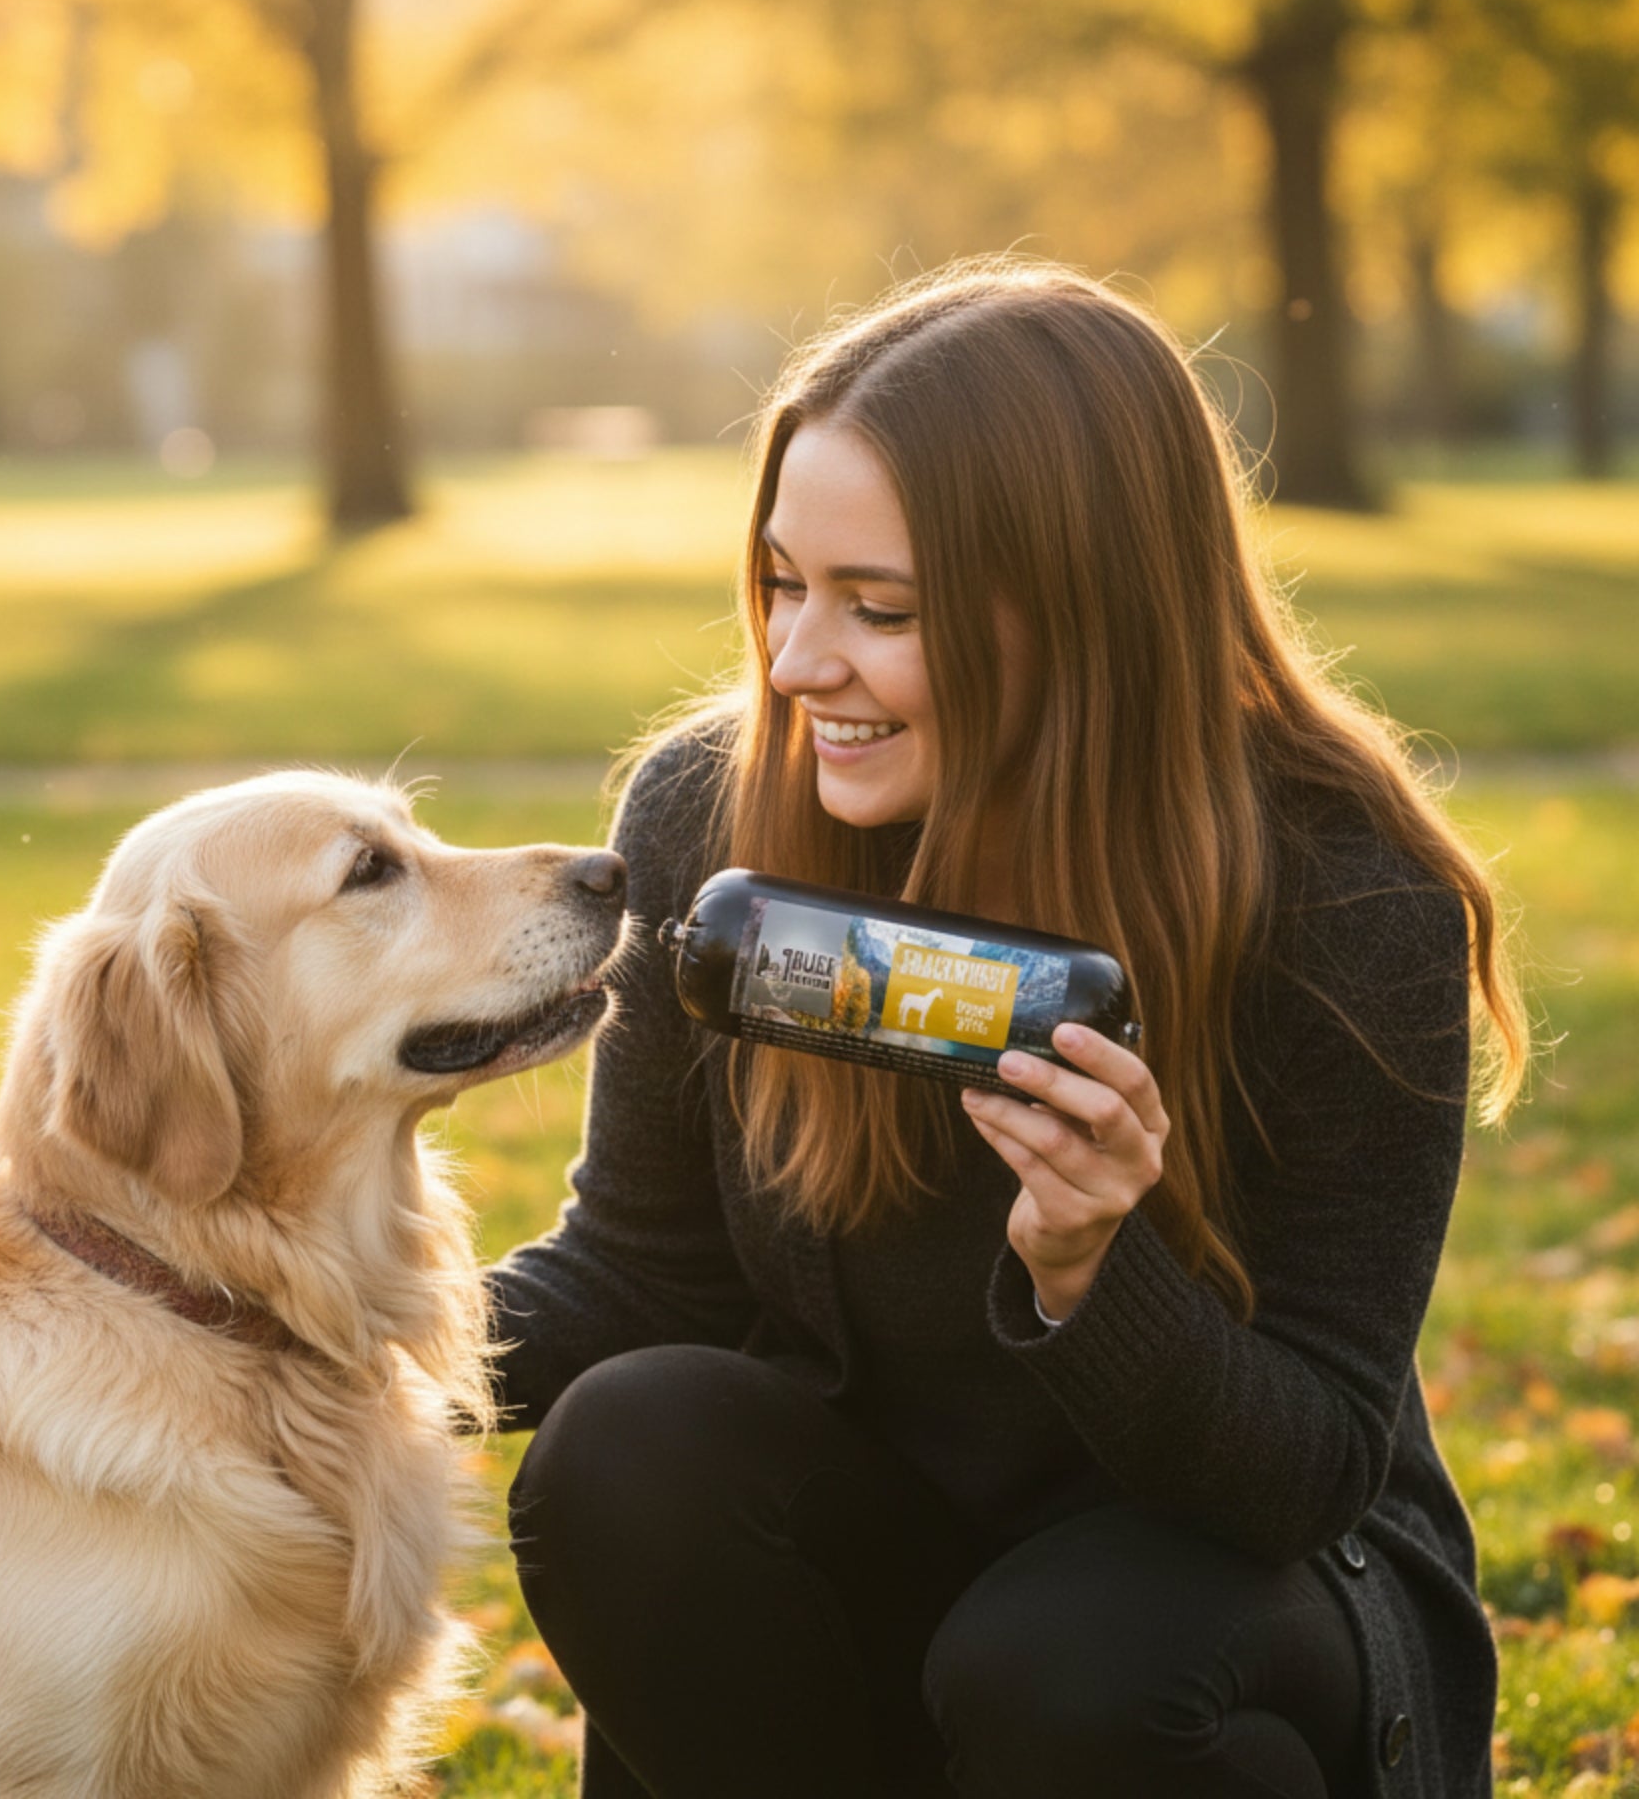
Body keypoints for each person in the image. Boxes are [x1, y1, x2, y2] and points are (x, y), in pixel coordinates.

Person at [482, 258, 1528, 1799]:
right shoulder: (717, 814)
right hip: (896, 1542)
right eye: (782, 583)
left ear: (1086, 609)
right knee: (627, 1447)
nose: (795, 662)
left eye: (877, 609)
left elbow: (1306, 1468)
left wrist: (1094, 1269)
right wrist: (300, 1323)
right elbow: (643, 1272)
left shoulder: (1347, 899)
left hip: (1225, 1602)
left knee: (1060, 1666)